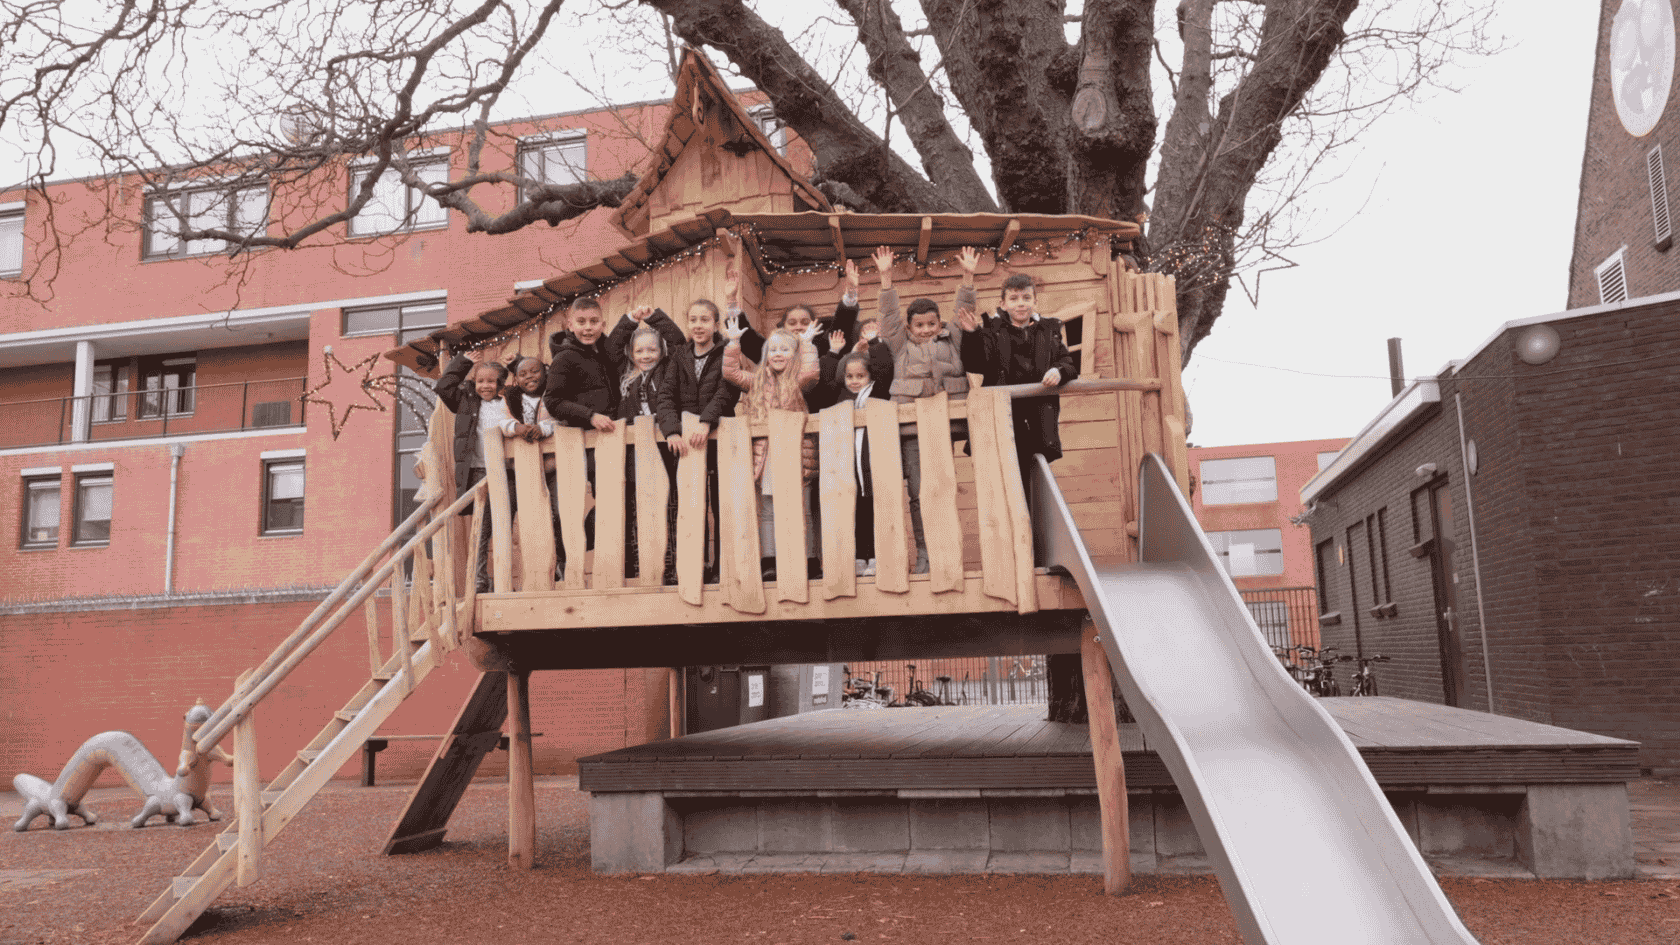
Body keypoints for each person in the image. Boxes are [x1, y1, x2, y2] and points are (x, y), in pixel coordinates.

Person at [875, 245, 976, 574]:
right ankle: (925, 555)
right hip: (913, 430)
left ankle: (947, 554)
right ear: (909, 327)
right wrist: (886, 280)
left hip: (946, 426)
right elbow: (889, 319)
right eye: (919, 325)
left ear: (939, 322)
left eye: (931, 323)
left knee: (944, 490)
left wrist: (968, 278)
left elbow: (964, 311)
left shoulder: (952, 340)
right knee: (919, 493)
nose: (926, 329)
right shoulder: (900, 346)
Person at [958, 262, 1076, 512]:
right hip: (1006, 417)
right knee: (1010, 481)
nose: (1020, 304)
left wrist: (1058, 371)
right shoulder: (992, 330)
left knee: (1036, 480)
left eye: (1026, 298)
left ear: (1035, 301)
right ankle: (1018, 530)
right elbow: (976, 363)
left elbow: (1068, 362)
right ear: (1003, 304)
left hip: (1038, 418)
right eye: (1013, 299)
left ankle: (1034, 532)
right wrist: (972, 335)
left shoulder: (1049, 330)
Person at [722, 321, 819, 582]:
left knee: (802, 508)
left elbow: (811, 372)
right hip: (767, 455)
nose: (778, 354)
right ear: (766, 354)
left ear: (794, 355)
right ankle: (770, 560)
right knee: (768, 510)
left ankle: (808, 559)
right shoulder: (757, 381)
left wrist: (807, 344)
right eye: (773, 349)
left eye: (785, 350)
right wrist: (733, 343)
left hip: (795, 453)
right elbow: (731, 373)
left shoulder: (797, 381)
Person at [656, 290, 741, 584]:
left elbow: (728, 390)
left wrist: (706, 422)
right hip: (687, 444)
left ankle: (723, 567)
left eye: (704, 320)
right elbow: (666, 395)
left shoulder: (727, 351)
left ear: (716, 324)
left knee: (721, 502)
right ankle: (697, 565)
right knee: (692, 503)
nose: (698, 325)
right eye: (693, 320)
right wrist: (671, 430)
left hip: (718, 437)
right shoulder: (679, 356)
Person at [613, 305, 686, 584]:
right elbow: (611, 347)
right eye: (640, 351)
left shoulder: (669, 369)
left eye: (652, 350)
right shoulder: (624, 374)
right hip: (634, 452)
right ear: (631, 353)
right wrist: (630, 321)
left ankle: (673, 567)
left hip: (665, 448)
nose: (646, 356)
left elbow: (679, 342)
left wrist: (655, 318)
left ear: (661, 351)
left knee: (669, 504)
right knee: (637, 507)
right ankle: (639, 566)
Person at [732, 258, 861, 411]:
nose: (799, 327)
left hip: (823, 415)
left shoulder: (822, 344)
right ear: (783, 327)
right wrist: (731, 301)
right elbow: (747, 339)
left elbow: (843, 325)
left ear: (814, 324)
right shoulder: (774, 351)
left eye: (805, 322)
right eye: (792, 323)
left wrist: (851, 292)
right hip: (785, 417)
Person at [434, 350, 515, 592]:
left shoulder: (509, 401)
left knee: (506, 526)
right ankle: (480, 578)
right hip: (480, 472)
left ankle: (505, 579)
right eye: (480, 381)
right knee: (482, 529)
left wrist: (516, 363)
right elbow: (443, 387)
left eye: (491, 381)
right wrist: (463, 362)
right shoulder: (467, 401)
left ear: (501, 383)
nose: (485, 386)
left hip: (509, 471)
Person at [834, 322, 892, 577]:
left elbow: (885, 369)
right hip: (850, 468)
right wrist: (850, 354)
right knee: (856, 512)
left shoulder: (877, 392)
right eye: (850, 376)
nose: (855, 381)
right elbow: (832, 377)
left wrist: (875, 343)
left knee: (877, 511)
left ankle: (878, 556)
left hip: (873, 464)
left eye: (860, 376)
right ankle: (859, 556)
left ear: (870, 376)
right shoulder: (842, 396)